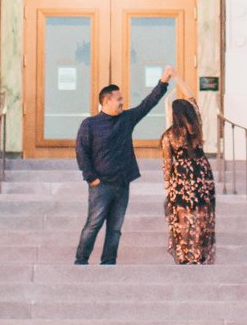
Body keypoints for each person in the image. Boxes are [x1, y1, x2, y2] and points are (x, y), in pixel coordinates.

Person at [72, 67, 173, 266]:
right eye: (118, 99)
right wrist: (91, 177)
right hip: (100, 185)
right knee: (93, 224)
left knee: (116, 228)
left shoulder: (126, 119)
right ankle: (81, 260)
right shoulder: (89, 124)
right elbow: (81, 152)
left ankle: (109, 262)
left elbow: (148, 103)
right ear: (106, 100)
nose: (122, 102)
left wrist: (164, 80)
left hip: (122, 183)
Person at [160, 97, 216, 266]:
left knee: (183, 218)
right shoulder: (196, 132)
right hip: (202, 177)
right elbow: (196, 109)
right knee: (202, 217)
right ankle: (200, 255)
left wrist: (168, 185)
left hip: (182, 179)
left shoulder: (169, 136)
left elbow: (167, 164)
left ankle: (185, 255)